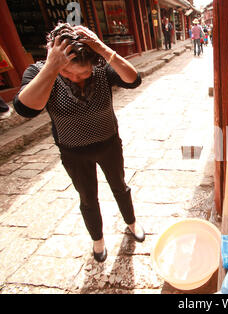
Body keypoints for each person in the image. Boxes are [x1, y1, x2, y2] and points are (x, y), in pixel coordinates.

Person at [13, 23, 145, 263]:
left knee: (120, 187)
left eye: (83, 73)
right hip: (73, 152)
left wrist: (102, 48)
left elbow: (133, 80)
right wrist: (53, 68)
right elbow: (25, 109)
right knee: (87, 197)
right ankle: (98, 240)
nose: (77, 77)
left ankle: (132, 223)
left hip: (109, 144)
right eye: (69, 73)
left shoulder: (101, 68)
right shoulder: (41, 73)